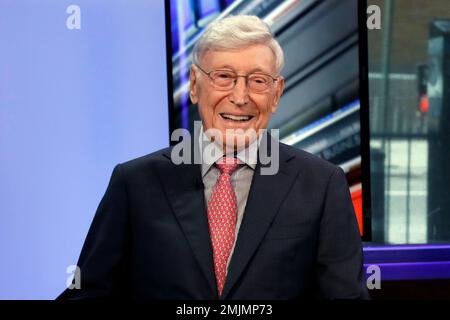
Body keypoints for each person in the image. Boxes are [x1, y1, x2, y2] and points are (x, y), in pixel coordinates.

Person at [58, 15, 368, 300]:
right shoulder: (134, 183)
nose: (240, 96)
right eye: (224, 77)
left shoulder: (321, 184)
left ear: (276, 93)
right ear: (194, 85)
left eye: (258, 81)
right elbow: (88, 295)